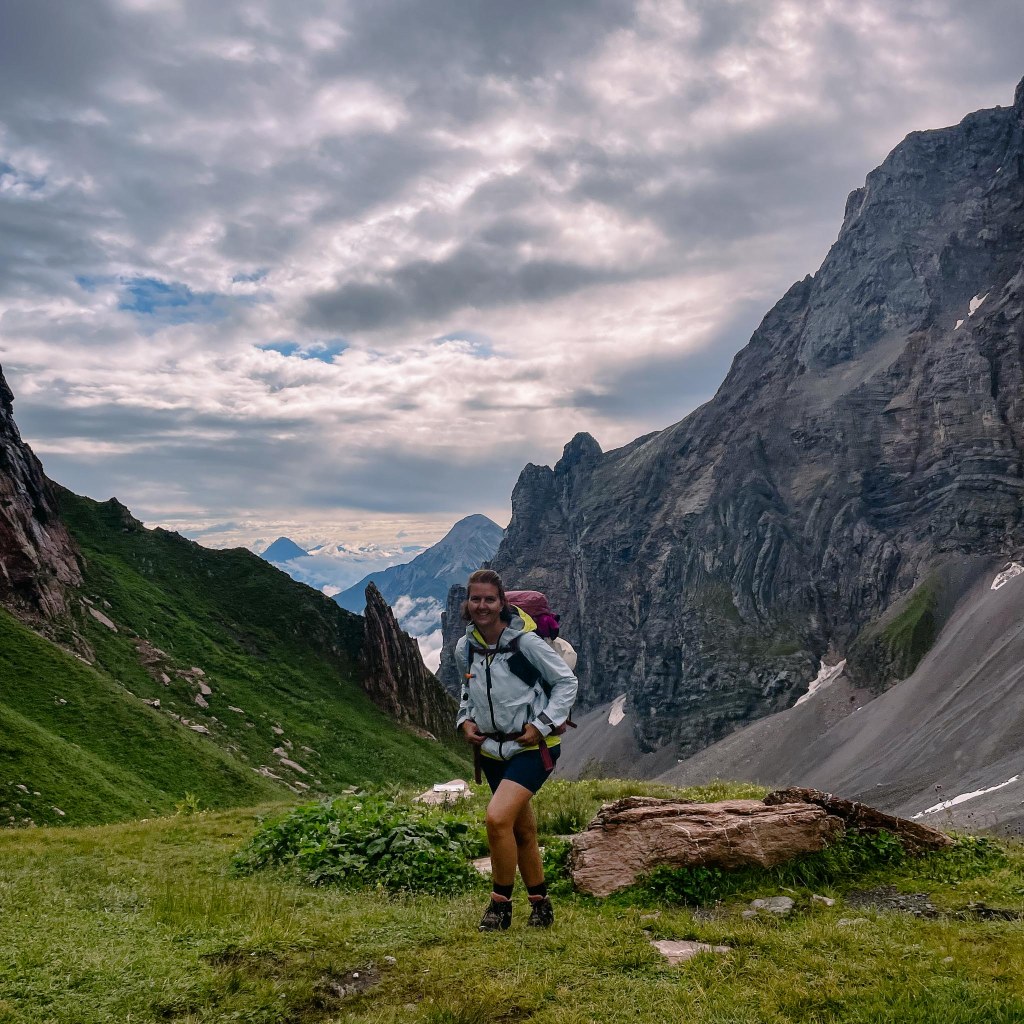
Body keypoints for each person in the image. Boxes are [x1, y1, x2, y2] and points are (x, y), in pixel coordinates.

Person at [455, 569, 578, 931]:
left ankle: (500, 906)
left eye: (489, 599)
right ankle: (541, 905)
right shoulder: (466, 647)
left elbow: (566, 682)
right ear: (467, 603)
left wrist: (541, 725)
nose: (482, 606)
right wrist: (464, 721)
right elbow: (467, 689)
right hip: (492, 751)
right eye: (475, 599)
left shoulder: (526, 644)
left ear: (502, 602)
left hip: (533, 748)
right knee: (521, 831)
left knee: (496, 820)